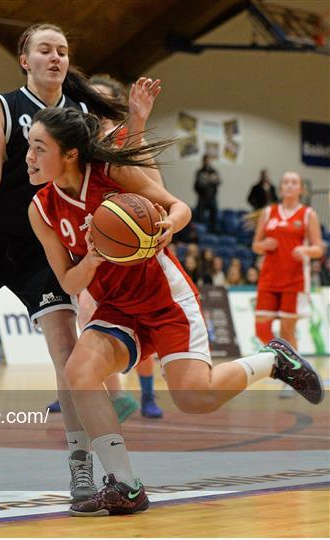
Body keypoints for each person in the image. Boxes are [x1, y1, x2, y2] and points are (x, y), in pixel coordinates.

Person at [27, 107, 323, 516]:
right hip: (116, 307)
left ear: (71, 153)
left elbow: (177, 206)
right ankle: (125, 486)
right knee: (80, 371)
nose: (29, 156)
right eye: (30, 147)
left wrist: (168, 226)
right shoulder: (41, 209)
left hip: (165, 299)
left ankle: (273, 360)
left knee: (194, 398)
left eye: (39, 148)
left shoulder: (111, 172)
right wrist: (94, 258)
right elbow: (68, 282)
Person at [0, 22, 128, 501]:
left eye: (62, 50)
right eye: (45, 50)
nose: (56, 57)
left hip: (43, 241)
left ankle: (80, 463)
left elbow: (107, 172)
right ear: (25, 59)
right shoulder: (4, 105)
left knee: (65, 351)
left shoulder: (81, 114)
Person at [49, 74, 164, 421]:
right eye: (89, 104)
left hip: (133, 251)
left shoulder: (128, 140)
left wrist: (139, 124)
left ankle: (147, 394)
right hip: (95, 252)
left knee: (142, 335)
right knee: (87, 315)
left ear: (113, 110)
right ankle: (105, 392)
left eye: (101, 105)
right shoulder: (75, 147)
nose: (94, 112)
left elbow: (158, 192)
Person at [252, 171, 325, 351]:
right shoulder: (269, 212)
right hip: (269, 278)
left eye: (294, 182)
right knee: (261, 329)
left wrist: (306, 250)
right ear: (281, 188)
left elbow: (319, 249)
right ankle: (283, 357)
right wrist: (263, 245)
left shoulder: (308, 214)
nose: (289, 185)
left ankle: (294, 375)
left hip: (294, 280)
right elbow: (255, 245)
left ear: (301, 189)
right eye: (286, 182)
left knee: (287, 332)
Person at [194, 154, 221, 233]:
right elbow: (196, 185)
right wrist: (207, 181)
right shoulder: (199, 172)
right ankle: (200, 232)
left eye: (209, 160)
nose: (207, 162)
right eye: (206, 160)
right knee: (200, 216)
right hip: (202, 197)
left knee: (214, 215)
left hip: (212, 197)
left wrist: (210, 180)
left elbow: (218, 182)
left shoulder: (214, 171)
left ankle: (213, 231)